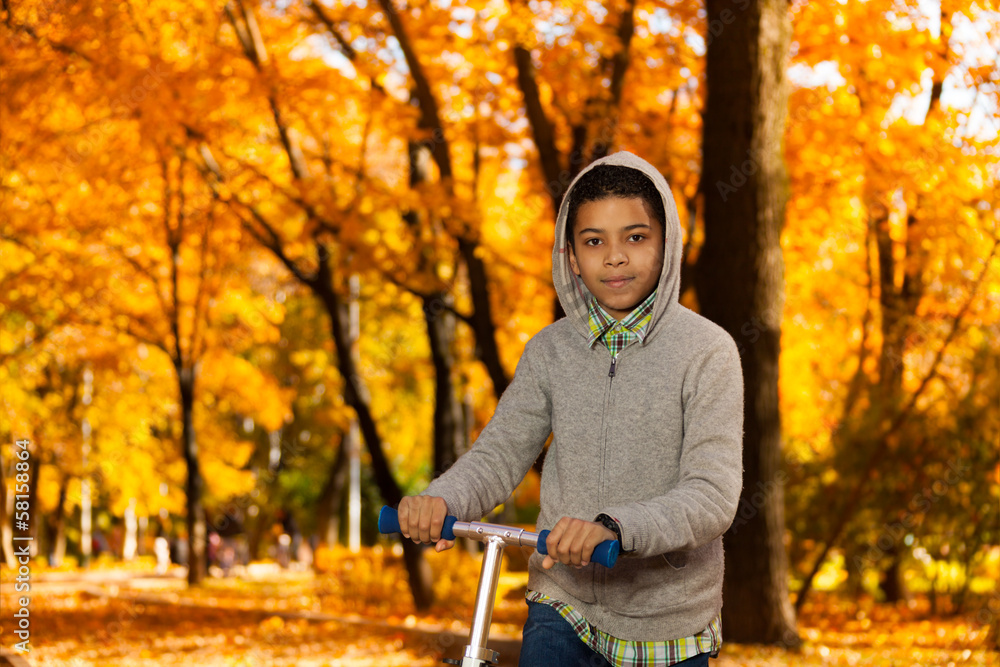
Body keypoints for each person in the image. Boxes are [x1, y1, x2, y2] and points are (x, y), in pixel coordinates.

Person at [398, 151, 744, 666]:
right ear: (571, 254)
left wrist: (616, 528)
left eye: (635, 237)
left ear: (665, 241)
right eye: (593, 241)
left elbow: (712, 494)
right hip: (564, 603)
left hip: (668, 620)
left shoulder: (707, 352)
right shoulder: (551, 350)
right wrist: (443, 500)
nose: (614, 257)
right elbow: (499, 453)